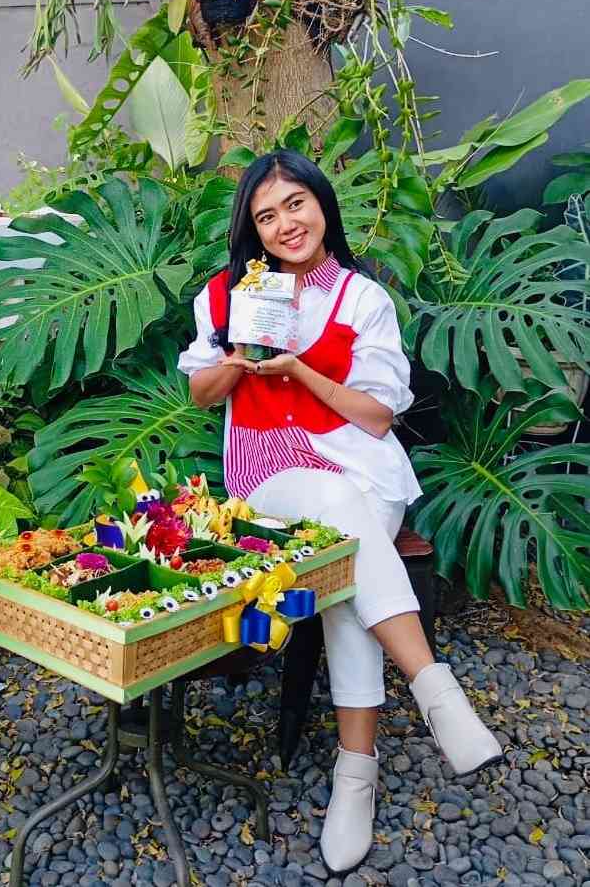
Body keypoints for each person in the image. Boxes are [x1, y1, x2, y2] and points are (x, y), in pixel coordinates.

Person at [177, 150, 503, 876]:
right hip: (268, 468)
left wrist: (298, 368)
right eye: (265, 215)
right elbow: (202, 394)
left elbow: (378, 416)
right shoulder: (228, 295)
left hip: (362, 466)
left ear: (321, 205)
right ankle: (431, 691)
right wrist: (240, 356)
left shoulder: (362, 299)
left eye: (295, 204)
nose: (283, 223)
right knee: (333, 520)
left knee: (341, 561)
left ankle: (356, 776)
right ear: (252, 230)